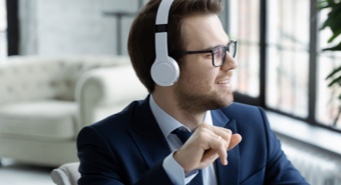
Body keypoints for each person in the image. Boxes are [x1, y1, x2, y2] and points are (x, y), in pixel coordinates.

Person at [76, 0, 309, 184]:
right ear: (166, 68)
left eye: (228, 48)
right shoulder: (104, 142)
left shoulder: (252, 124)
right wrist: (176, 168)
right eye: (214, 53)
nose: (231, 63)